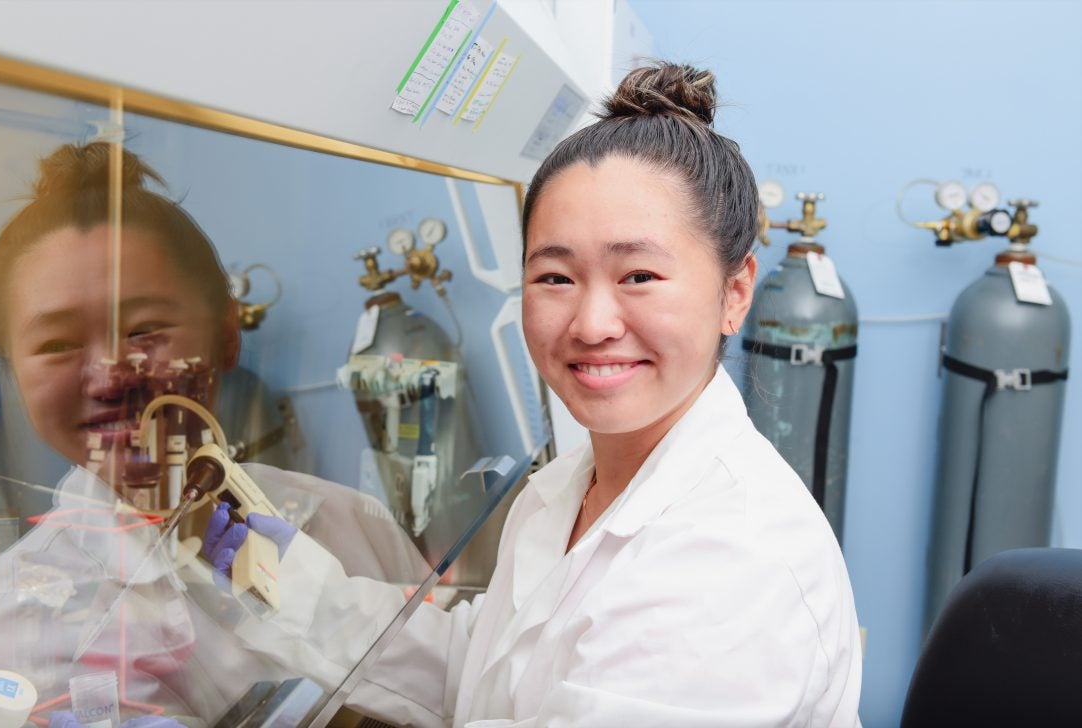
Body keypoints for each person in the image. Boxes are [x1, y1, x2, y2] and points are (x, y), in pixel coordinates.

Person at [214, 62, 863, 726]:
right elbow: (490, 671)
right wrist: (291, 590)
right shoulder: (568, 488)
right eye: (555, 277)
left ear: (735, 292)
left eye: (639, 274)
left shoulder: (728, 564)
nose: (591, 324)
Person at [0, 142, 427, 726]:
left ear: (227, 334)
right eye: (56, 345)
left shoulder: (350, 524)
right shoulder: (11, 619)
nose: (110, 376)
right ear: (13, 371)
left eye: (145, 329)